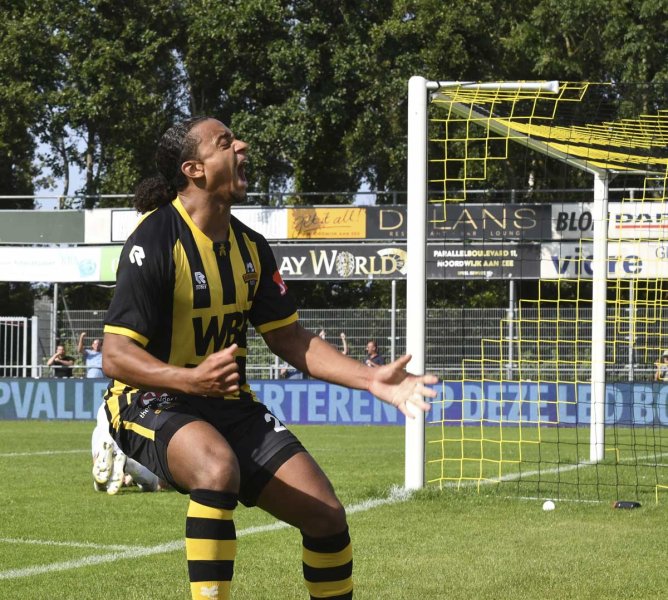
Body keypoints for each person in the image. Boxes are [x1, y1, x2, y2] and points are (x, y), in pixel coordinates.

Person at [101, 116, 437, 600]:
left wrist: (370, 379)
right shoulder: (154, 240)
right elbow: (115, 355)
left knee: (326, 515)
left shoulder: (252, 249)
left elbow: (290, 340)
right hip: (149, 399)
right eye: (225, 142)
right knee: (216, 469)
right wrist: (189, 379)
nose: (241, 145)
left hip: (228, 404)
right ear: (194, 170)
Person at [91, 403, 165, 494]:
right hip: (144, 419)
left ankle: (102, 478)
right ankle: (129, 464)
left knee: (101, 433)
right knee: (154, 483)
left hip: (110, 410)